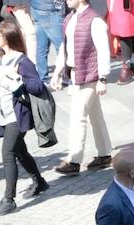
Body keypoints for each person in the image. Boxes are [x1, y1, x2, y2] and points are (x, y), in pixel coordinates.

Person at [0, 20, 49, 216]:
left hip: (17, 117)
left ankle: (9, 200)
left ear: (8, 36)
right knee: (20, 152)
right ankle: (39, 182)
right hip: (3, 115)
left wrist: (20, 79)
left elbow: (38, 86)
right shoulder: (0, 58)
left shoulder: (22, 62)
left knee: (8, 154)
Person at [50, 0, 112, 176]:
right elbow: (65, 48)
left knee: (78, 116)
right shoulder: (69, 18)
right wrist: (57, 72)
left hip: (90, 75)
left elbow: (103, 50)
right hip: (77, 74)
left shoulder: (95, 20)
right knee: (95, 115)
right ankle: (105, 153)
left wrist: (103, 78)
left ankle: (74, 160)